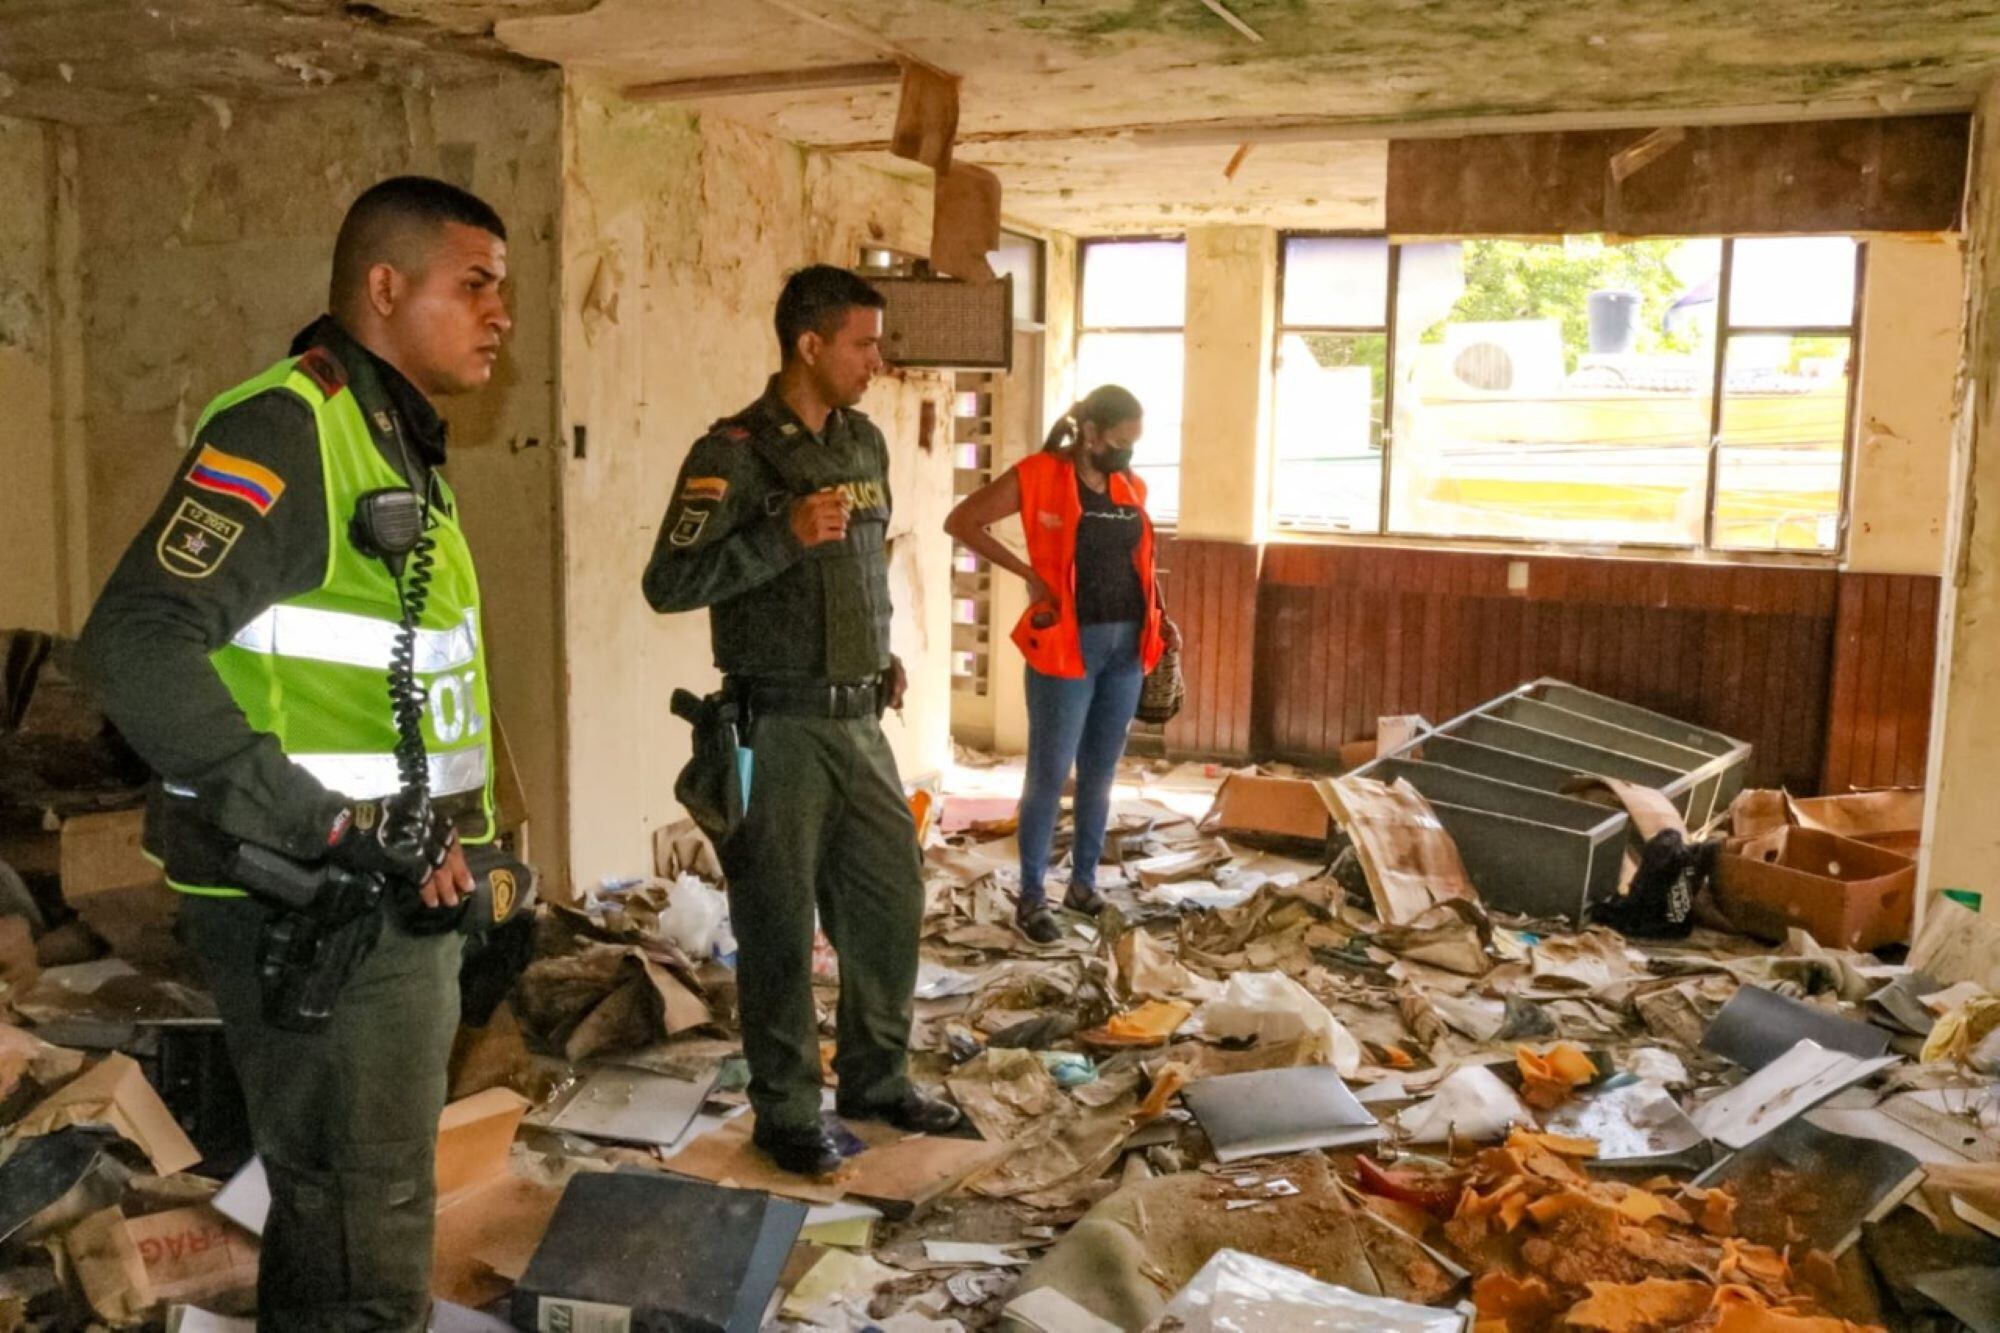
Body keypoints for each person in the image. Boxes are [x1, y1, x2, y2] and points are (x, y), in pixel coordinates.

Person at [78, 176, 512, 1331]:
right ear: (386, 286)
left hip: (389, 884)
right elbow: (134, 644)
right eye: (475, 284)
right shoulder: (289, 427)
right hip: (320, 891)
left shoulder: (391, 440)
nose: (500, 314)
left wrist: (456, 841)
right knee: (368, 1226)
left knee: (330, 1211)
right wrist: (319, 817)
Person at [643, 264, 962, 1176]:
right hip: (776, 727)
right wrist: (780, 534)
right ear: (809, 345)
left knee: (890, 901)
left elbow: (861, 567)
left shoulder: (863, 443)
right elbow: (669, 582)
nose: (877, 360)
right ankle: (785, 1109)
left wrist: (877, 650)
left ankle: (876, 1078)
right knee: (779, 925)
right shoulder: (734, 453)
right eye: (863, 344)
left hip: (860, 719)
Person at [943, 385, 1177, 944]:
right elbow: (962, 521)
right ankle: (1031, 896)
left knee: (1101, 774)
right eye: (1120, 442)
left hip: (1126, 646)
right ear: (1091, 433)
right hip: (1066, 645)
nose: (1127, 454)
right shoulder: (1040, 474)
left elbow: (1140, 561)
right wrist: (1028, 573)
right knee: (1048, 775)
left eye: (1134, 444)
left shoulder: (1131, 485)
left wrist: (1162, 617)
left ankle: (1083, 885)